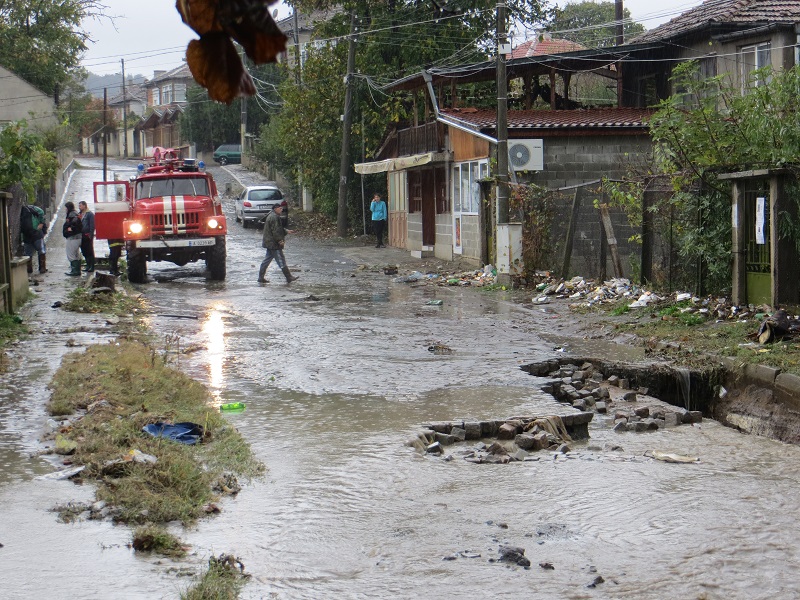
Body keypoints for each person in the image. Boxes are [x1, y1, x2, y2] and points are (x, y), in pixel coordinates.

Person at [258, 203, 298, 284]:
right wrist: (280, 241)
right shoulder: (274, 217)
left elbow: (278, 228)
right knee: (281, 260)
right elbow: (276, 231)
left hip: (269, 243)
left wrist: (286, 231)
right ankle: (289, 277)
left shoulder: (272, 216)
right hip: (274, 244)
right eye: (280, 208)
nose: (281, 210)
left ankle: (260, 278)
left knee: (266, 261)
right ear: (276, 209)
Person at [19, 202, 48, 274]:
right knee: (41, 250)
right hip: (36, 233)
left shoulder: (16, 210)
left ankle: (29, 269)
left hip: (26, 235)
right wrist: (41, 222)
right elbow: (41, 211)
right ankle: (42, 268)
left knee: (28, 253)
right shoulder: (30, 208)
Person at [62, 201, 83, 276]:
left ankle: (75, 271)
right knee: (76, 254)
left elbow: (75, 224)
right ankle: (77, 270)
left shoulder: (72, 215)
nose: (65, 210)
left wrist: (71, 228)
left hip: (73, 238)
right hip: (77, 237)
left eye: (66, 208)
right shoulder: (75, 214)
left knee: (71, 254)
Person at [78, 200, 95, 272]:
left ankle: (92, 266)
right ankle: (88, 265)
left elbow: (92, 225)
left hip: (87, 235)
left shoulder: (89, 214)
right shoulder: (80, 214)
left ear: (84, 206)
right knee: (84, 250)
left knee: (89, 250)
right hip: (81, 235)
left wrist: (90, 234)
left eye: (80, 205)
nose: (79, 207)